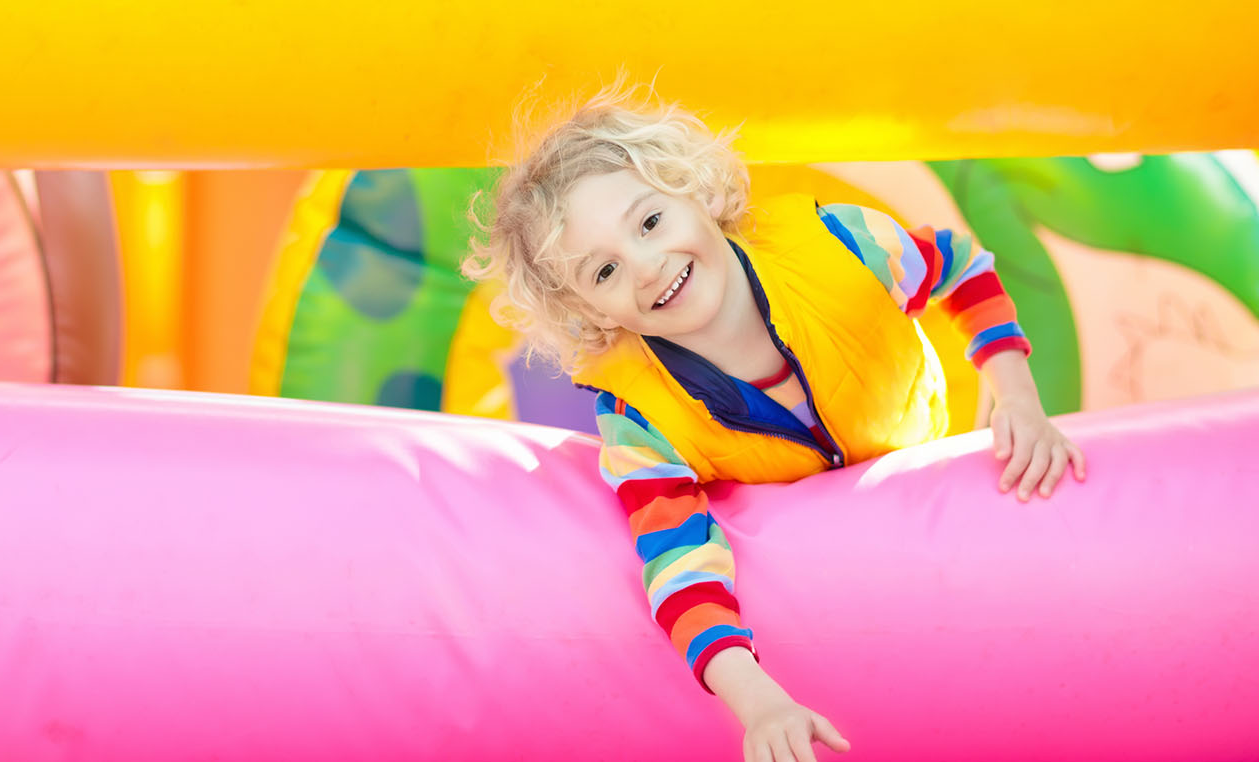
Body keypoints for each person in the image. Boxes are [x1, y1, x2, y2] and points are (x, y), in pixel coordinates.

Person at [465, 86, 1085, 762]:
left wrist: (1016, 397)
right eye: (606, 270)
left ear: (693, 190)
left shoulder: (838, 247)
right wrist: (758, 702)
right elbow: (677, 566)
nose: (647, 267)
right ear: (589, 311)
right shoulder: (638, 413)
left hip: (917, 450)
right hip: (821, 562)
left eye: (650, 223)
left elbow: (961, 267)